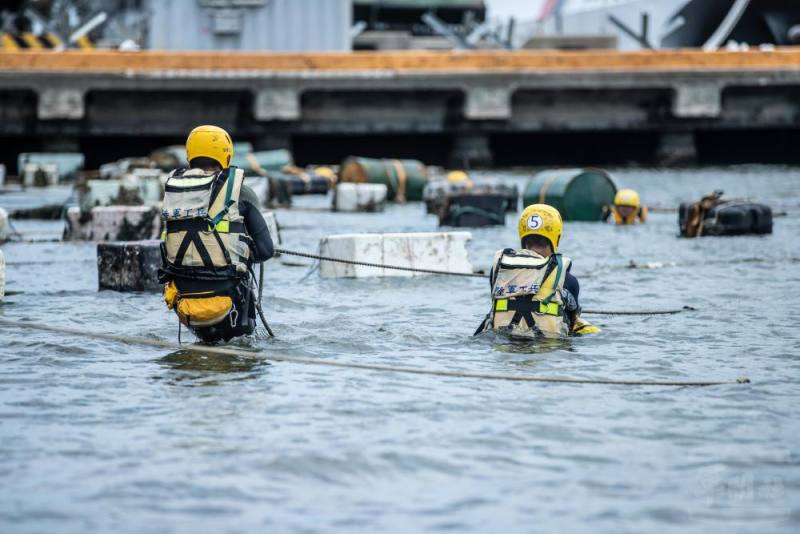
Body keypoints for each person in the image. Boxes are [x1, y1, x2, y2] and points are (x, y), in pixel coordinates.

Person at [159, 125, 275, 343]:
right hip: (230, 299)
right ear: (227, 153)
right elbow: (266, 250)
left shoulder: (174, 191)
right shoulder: (240, 191)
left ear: (190, 153)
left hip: (185, 302)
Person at [475, 204, 599, 339]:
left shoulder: (500, 269)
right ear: (556, 237)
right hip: (545, 345)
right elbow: (572, 321)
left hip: (504, 344)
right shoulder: (568, 280)